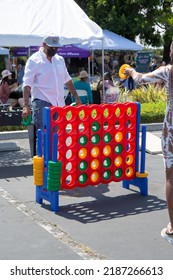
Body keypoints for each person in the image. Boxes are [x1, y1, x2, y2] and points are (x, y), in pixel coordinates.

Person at [124, 41, 173, 244]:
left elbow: (141, 79)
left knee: (171, 176)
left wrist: (130, 70)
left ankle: (172, 226)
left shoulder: (169, 71)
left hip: (171, 129)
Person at [22, 35, 81, 153]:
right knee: (44, 136)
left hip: (58, 103)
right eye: (51, 48)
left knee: (55, 137)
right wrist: (25, 105)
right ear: (43, 44)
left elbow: (67, 80)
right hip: (41, 101)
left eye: (56, 48)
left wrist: (76, 97)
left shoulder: (59, 60)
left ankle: (53, 163)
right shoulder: (34, 60)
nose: (54, 50)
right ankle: (44, 166)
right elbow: (27, 84)